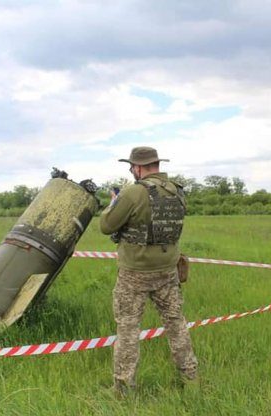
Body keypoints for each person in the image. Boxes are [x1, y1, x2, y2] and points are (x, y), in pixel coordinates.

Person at [100, 146, 198, 395]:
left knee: (128, 329)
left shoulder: (133, 192)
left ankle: (123, 389)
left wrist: (114, 202)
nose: (132, 171)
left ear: (138, 167)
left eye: (132, 167)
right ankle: (191, 380)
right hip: (168, 270)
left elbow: (106, 225)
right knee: (176, 324)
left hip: (135, 273)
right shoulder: (177, 191)